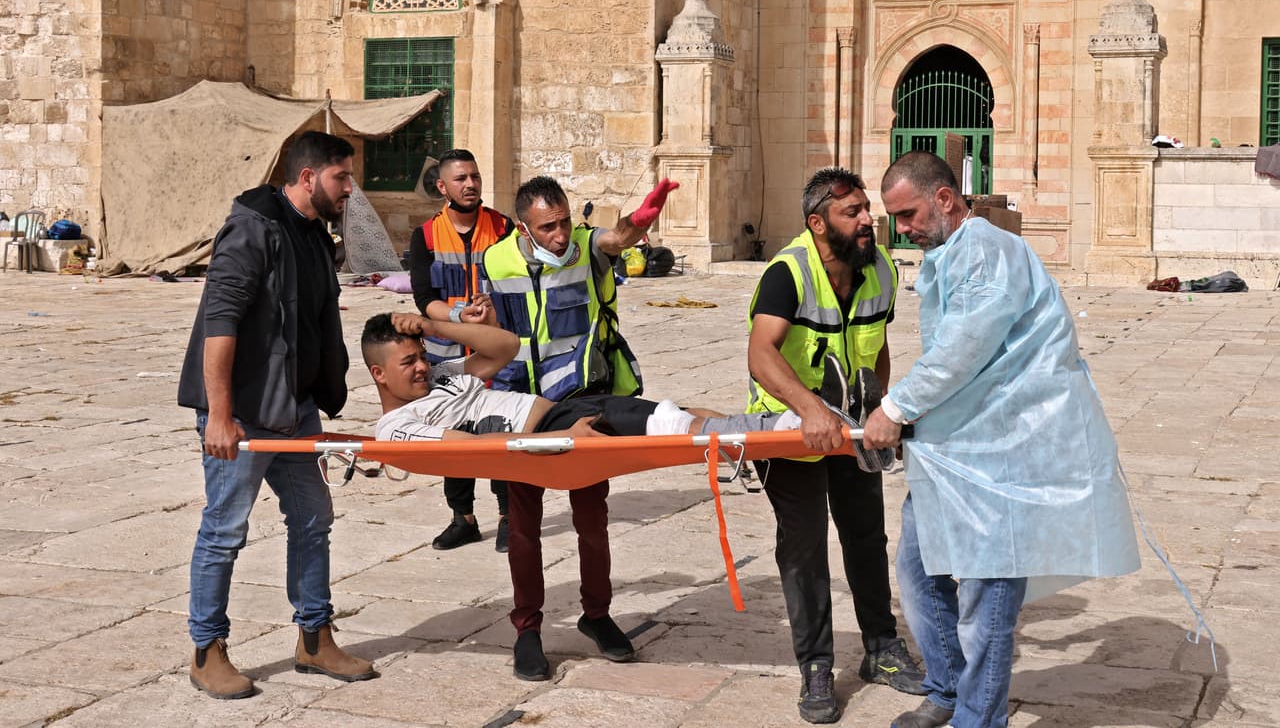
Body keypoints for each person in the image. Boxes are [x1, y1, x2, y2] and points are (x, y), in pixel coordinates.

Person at [360, 310, 874, 685]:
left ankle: (597, 614)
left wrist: (431, 329)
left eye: (423, 358)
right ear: (378, 374)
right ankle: (528, 631)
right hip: (535, 447)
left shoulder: (445, 380)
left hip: (564, 414)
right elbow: (474, 448)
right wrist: (563, 442)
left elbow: (503, 346)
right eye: (409, 363)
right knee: (658, 434)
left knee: (666, 425)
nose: (423, 367)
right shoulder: (400, 425)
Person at [866, 150, 1140, 728]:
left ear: (945, 198)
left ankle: (977, 717)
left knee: (986, 593)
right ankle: (945, 687)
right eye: (896, 219)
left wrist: (894, 407)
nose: (904, 230)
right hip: (954, 449)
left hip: (1003, 455)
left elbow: (965, 347)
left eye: (910, 214)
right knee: (920, 571)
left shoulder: (989, 252)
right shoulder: (951, 255)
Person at [177, 131, 377, 699]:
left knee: (314, 519)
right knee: (225, 530)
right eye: (342, 178)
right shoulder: (252, 229)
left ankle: (314, 638)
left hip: (296, 411)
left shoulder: (315, 234)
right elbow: (221, 322)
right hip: (244, 415)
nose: (350, 190)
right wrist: (219, 415)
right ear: (309, 177)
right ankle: (206, 649)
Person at [746, 167, 925, 724]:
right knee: (803, 551)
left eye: (867, 209)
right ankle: (816, 666)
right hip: (791, 431)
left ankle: (881, 649)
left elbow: (879, 344)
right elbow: (761, 354)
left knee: (867, 537)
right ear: (817, 223)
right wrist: (808, 408)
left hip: (853, 430)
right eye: (854, 213)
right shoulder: (787, 272)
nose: (868, 220)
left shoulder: (880, 272)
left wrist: (884, 411)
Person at [479, 175, 678, 678]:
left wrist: (645, 215)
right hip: (525, 408)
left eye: (565, 222)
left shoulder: (586, 248)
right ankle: (527, 629)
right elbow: (491, 334)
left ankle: (597, 615)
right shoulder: (495, 260)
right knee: (524, 528)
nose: (561, 235)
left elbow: (619, 237)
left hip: (584, 402)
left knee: (592, 519)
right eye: (548, 227)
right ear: (524, 227)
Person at [408, 148, 516, 553]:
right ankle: (463, 518)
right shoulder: (426, 236)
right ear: (442, 186)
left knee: (499, 430)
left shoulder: (504, 228)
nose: (470, 185)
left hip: (495, 351)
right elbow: (424, 297)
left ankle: (509, 515)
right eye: (460, 179)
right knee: (453, 438)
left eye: (474, 177)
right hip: (447, 354)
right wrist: (457, 315)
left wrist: (491, 315)